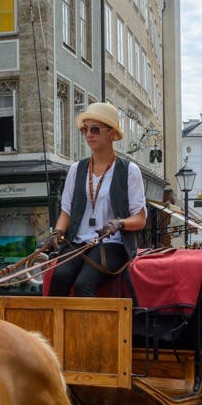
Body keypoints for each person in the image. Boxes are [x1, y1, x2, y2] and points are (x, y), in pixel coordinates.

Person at [45, 101, 147, 297]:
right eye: (85, 129)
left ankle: (89, 329)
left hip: (113, 243)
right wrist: (57, 233)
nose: (89, 134)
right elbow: (66, 211)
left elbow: (140, 219)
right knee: (59, 276)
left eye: (95, 129)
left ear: (111, 133)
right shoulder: (77, 169)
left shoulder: (129, 171)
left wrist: (119, 223)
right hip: (77, 242)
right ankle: (59, 328)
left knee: (84, 284)